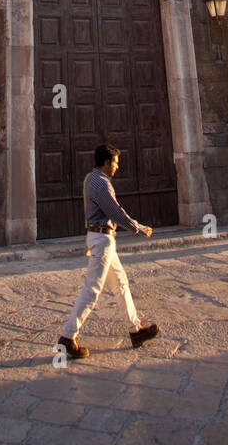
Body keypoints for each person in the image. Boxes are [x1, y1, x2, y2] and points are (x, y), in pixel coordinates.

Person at [57, 142, 160, 360]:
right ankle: (67, 338)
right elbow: (115, 211)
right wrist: (138, 227)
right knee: (92, 289)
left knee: (121, 284)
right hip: (102, 239)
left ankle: (135, 330)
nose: (117, 167)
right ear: (106, 163)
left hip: (104, 239)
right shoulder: (101, 183)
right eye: (115, 163)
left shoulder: (90, 178)